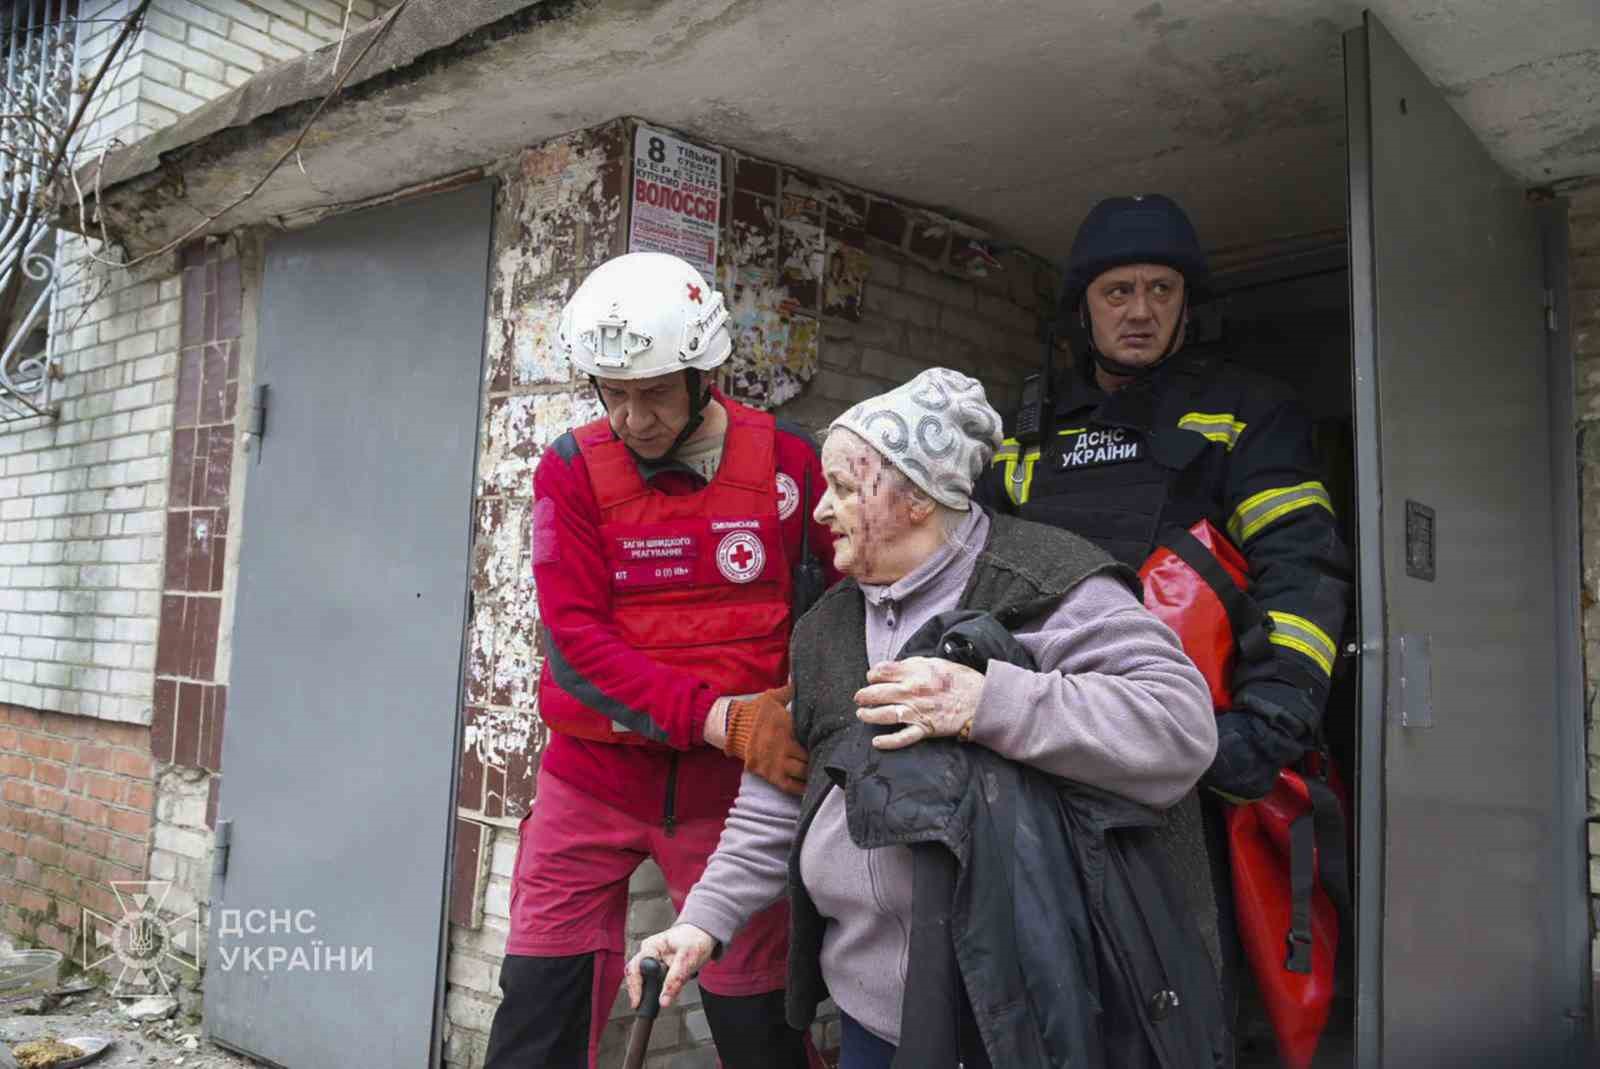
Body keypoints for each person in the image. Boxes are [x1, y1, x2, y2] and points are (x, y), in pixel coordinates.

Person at [626, 368, 1222, 1068]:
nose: (821, 511)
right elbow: (780, 800)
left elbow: (1180, 724)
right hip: (871, 1018)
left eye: (846, 489)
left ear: (917, 497)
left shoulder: (1047, 584)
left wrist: (986, 703)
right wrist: (702, 920)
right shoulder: (825, 629)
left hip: (1024, 1021)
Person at [975, 195, 1353, 1037]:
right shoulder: (1028, 432)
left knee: (1194, 997)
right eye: (1118, 291)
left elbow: (1304, 574)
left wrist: (1269, 725)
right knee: (1060, 988)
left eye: (1160, 289)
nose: (1140, 311)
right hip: (1048, 747)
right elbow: (979, 573)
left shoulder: (1247, 412)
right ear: (1084, 306)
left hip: (1193, 758)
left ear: (1189, 304)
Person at [482, 252, 836, 1069]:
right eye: (615, 393)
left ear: (703, 373)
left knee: (759, 1027)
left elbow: (840, 609)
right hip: (592, 780)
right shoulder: (570, 469)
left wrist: (809, 715)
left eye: (654, 392)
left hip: (735, 798)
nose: (633, 417)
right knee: (537, 1009)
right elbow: (575, 646)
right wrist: (720, 715)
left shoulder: (789, 462)